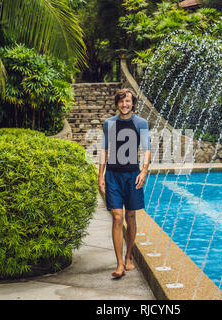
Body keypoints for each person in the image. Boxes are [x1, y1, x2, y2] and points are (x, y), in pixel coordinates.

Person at [98, 88, 152, 279]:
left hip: (132, 176)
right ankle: (119, 264)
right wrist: (100, 175)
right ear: (117, 103)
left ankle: (129, 257)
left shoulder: (141, 123)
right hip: (113, 175)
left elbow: (147, 149)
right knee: (117, 218)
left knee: (130, 217)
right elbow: (104, 149)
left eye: (127, 101)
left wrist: (144, 171)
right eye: (121, 101)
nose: (124, 104)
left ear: (132, 103)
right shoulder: (109, 124)